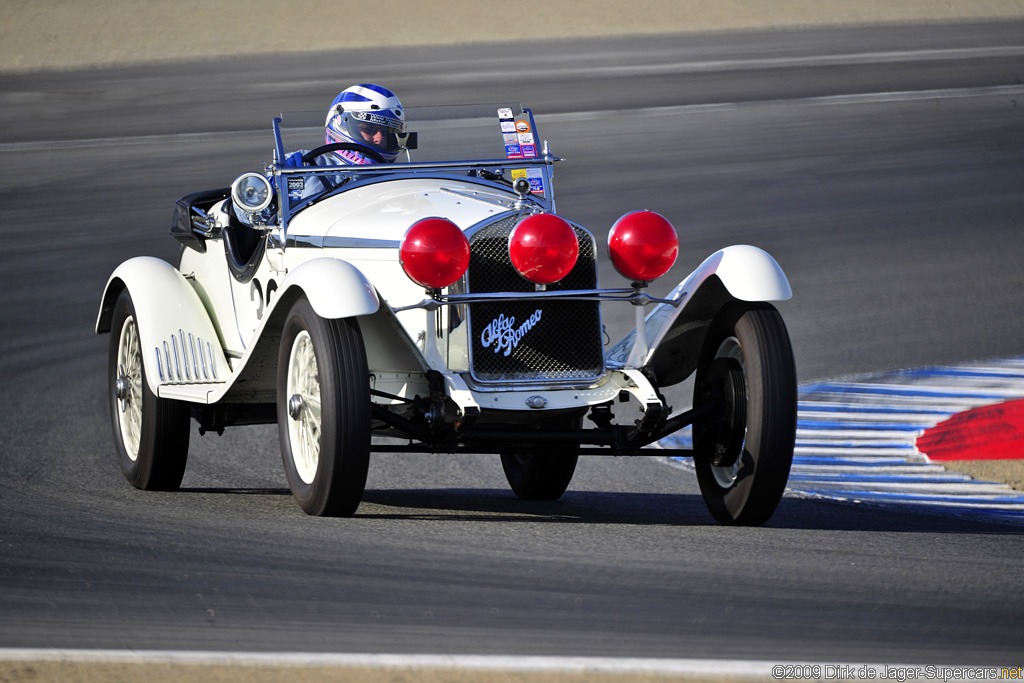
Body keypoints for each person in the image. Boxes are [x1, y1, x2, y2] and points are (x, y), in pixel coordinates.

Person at [233, 84, 407, 225]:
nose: (379, 138)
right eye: (369, 130)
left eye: (387, 132)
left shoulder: (405, 181)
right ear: (341, 125)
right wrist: (272, 195)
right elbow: (247, 213)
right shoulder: (304, 167)